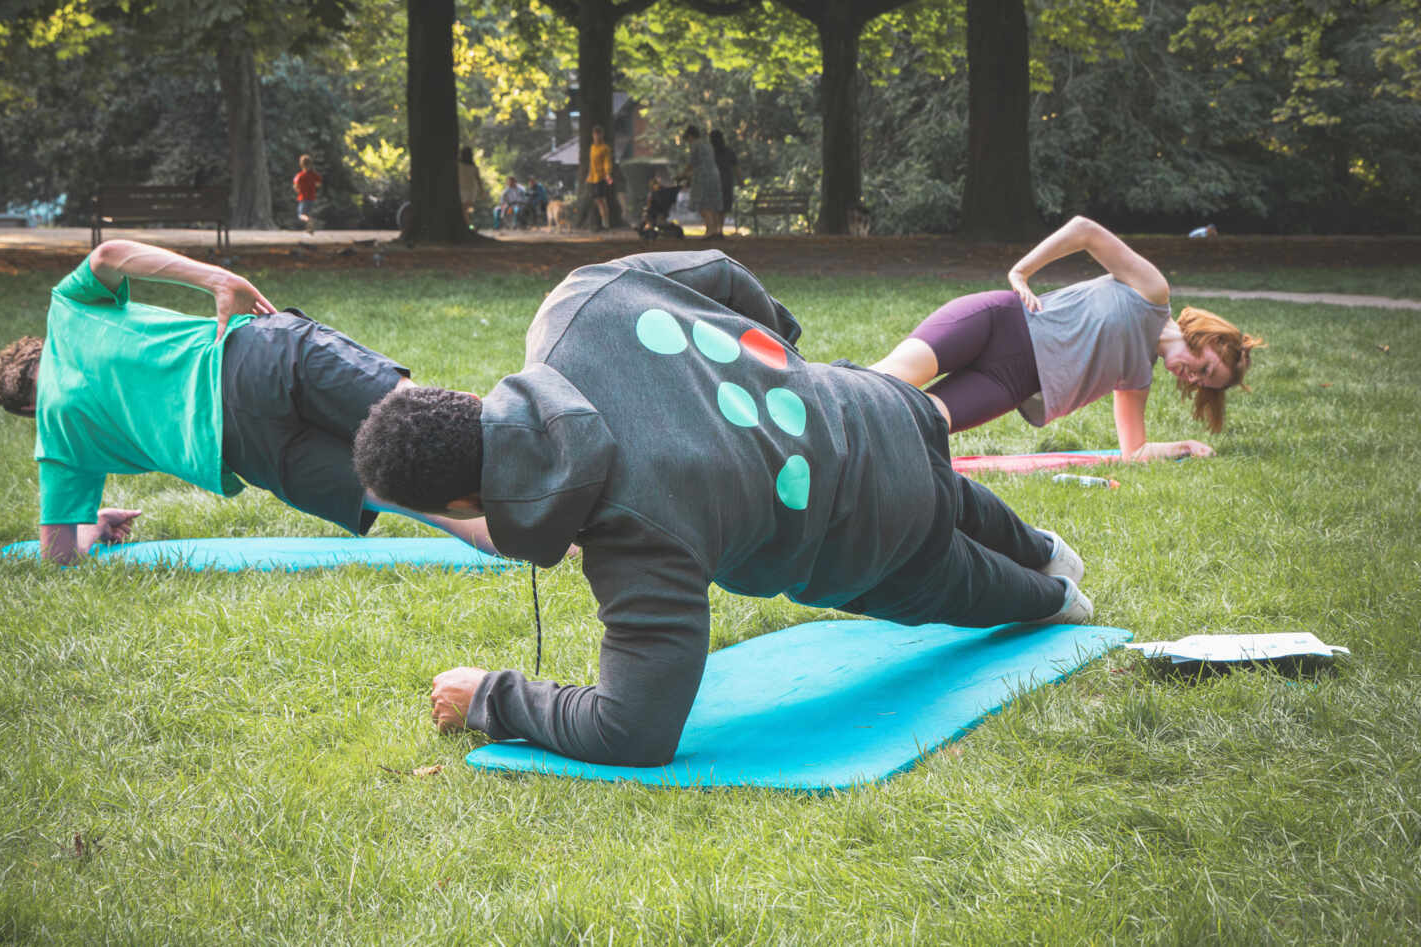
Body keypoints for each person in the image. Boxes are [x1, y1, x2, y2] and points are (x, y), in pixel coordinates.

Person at [353, 250, 1091, 769]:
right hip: (876, 407)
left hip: (877, 534)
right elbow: (723, 272)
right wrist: (787, 364)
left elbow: (633, 728)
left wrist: (491, 695)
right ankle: (1045, 547)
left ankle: (1057, 596)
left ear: (458, 498)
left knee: (968, 578)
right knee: (954, 496)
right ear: (462, 401)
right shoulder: (578, 301)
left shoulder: (632, 538)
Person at [0, 239, 494, 565]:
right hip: (259, 357)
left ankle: (542, 544)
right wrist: (217, 278)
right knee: (435, 419)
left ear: (29, 411)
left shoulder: (56, 442)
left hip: (244, 446)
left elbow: (57, 555)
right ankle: (564, 483)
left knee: (414, 495)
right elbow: (108, 255)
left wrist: (93, 524)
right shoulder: (70, 311)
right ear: (39, 346)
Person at [872, 215, 1265, 460]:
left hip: (1008, 383)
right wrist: (1021, 273)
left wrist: (1184, 447)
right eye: (1205, 369)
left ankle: (828, 458)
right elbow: (1084, 231)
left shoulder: (1137, 379)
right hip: (998, 323)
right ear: (1211, 342)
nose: (1192, 379)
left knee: (916, 420)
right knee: (881, 382)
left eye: (1201, 384)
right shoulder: (1153, 292)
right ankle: (811, 396)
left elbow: (1134, 452)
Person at [678, 125, 722, 239]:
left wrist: (682, 174)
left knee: (703, 204)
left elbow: (692, 163)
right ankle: (715, 230)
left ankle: (710, 231)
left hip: (703, 177)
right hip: (715, 175)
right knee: (712, 204)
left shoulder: (695, 144)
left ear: (690, 136)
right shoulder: (707, 144)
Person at [709, 129, 739, 236]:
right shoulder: (728, 151)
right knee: (723, 207)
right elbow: (736, 168)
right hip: (726, 181)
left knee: (714, 206)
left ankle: (715, 229)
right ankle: (719, 230)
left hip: (714, 182)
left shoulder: (710, 152)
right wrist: (740, 180)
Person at [584, 125, 614, 229]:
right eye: (595, 134)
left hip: (601, 177)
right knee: (596, 200)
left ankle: (605, 222)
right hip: (592, 178)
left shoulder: (605, 148)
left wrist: (608, 174)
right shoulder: (592, 148)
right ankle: (598, 221)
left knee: (601, 199)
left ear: (602, 135)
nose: (597, 136)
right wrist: (589, 175)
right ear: (593, 135)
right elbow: (591, 163)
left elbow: (607, 162)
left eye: (599, 134)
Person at [293, 154, 322, 234]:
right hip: (312, 197)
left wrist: (298, 189)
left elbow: (295, 186)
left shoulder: (300, 176)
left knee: (301, 215)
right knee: (308, 213)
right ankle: (309, 230)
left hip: (303, 197)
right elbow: (318, 184)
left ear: (301, 164)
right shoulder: (314, 174)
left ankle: (309, 221)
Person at [457, 147, 485, 227]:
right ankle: (469, 226)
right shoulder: (474, 167)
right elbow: (479, 180)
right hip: (471, 191)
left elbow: (478, 179)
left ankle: (469, 226)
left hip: (463, 191)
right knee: (465, 210)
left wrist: (482, 191)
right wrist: (481, 191)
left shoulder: (458, 165)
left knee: (464, 211)